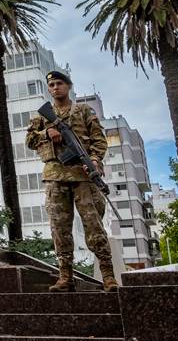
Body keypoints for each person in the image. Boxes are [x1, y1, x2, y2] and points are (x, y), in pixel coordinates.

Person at [26, 71, 118, 292]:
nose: (55, 88)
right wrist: (47, 133)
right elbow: (29, 140)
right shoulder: (41, 116)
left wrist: (95, 160)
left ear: (68, 86)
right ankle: (65, 277)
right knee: (59, 228)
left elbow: (98, 139)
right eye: (51, 85)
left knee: (94, 227)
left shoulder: (84, 111)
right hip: (54, 176)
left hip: (83, 177)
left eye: (59, 83)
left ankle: (108, 277)